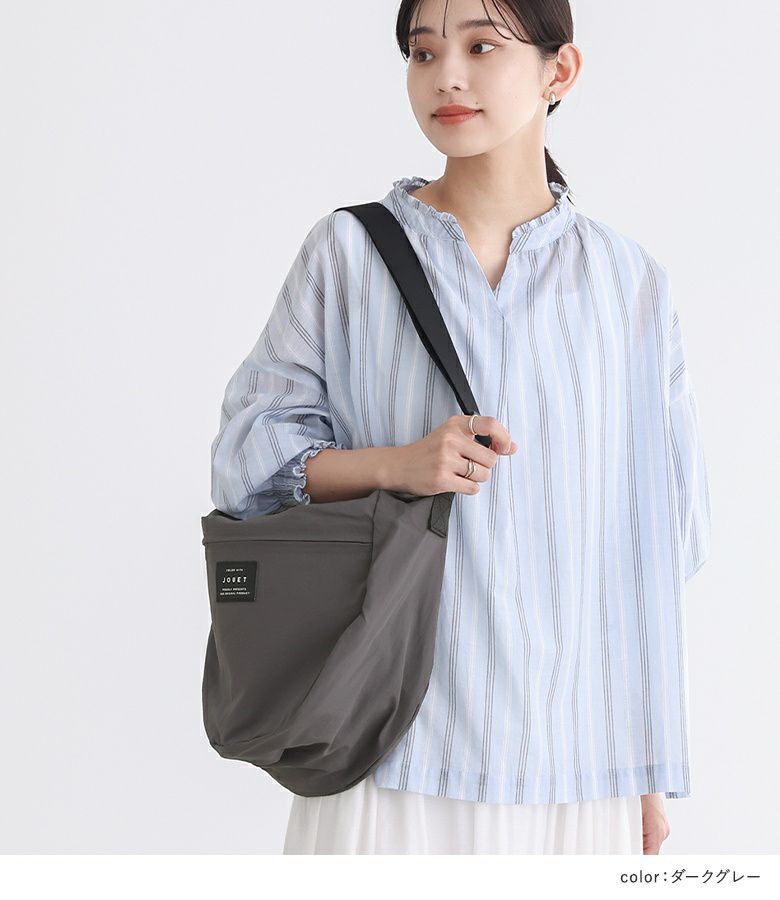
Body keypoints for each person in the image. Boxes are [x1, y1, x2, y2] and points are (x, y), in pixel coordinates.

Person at [210, 0, 711, 855]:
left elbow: (653, 547)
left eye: (482, 47)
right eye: (422, 52)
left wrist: (644, 766)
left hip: (572, 764)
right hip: (392, 742)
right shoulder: (349, 253)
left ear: (559, 71)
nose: (446, 76)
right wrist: (395, 465)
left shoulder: (629, 284)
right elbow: (246, 460)